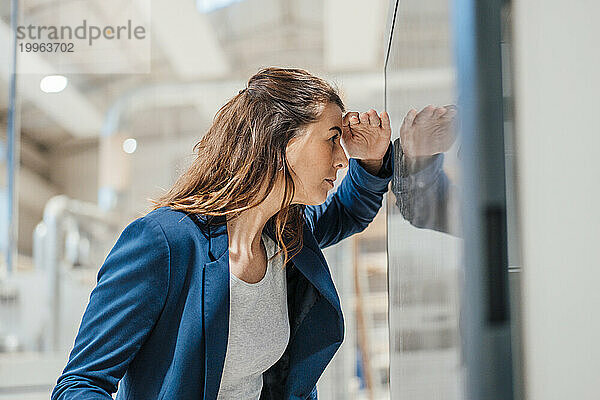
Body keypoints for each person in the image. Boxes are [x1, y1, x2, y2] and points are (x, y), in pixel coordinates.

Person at [51, 67, 446, 400]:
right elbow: (81, 383)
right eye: (331, 140)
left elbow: (349, 211)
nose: (343, 158)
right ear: (279, 139)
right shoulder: (163, 243)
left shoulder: (287, 238)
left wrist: (374, 159)